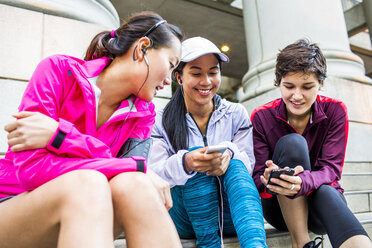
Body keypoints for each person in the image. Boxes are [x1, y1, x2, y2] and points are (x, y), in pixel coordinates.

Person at [0, 11, 183, 248]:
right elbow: (31, 170)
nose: (170, 80)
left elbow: (131, 176)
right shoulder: (57, 70)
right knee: (89, 182)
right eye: (170, 64)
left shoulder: (144, 113)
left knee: (134, 185)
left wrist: (59, 136)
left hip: (88, 215)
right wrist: (131, 166)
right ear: (143, 48)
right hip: (13, 206)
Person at [251, 39, 372, 248]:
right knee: (292, 143)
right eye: (289, 86)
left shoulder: (335, 111)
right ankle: (302, 244)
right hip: (279, 208)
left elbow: (331, 170)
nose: (297, 96)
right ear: (279, 82)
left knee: (326, 190)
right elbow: (256, 178)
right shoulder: (262, 117)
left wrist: (303, 182)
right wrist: (269, 178)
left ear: (321, 84)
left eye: (307, 87)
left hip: (320, 208)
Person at [148, 36, 268, 248]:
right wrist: (186, 162)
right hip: (184, 217)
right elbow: (154, 173)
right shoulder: (159, 119)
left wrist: (228, 154)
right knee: (195, 157)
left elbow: (247, 166)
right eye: (196, 73)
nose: (206, 81)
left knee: (234, 162)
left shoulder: (236, 113)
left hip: (232, 214)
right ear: (179, 77)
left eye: (213, 72)